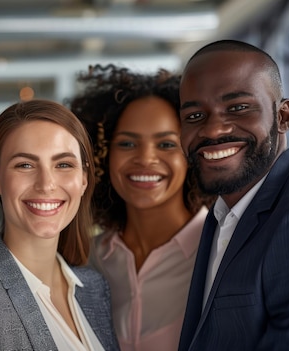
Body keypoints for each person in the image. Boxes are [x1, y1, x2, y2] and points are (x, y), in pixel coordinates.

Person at [177, 39, 289, 351]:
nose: (213, 130)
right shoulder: (222, 215)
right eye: (195, 116)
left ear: (283, 117)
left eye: (238, 108)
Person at [0, 99, 119, 350]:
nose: (46, 183)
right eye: (25, 165)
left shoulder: (94, 287)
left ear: (83, 178)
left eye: (63, 164)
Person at [68, 64, 215, 351]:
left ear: (192, 154)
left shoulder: (223, 252)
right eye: (126, 143)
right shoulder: (84, 258)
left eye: (166, 144)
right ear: (103, 156)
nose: (146, 159)